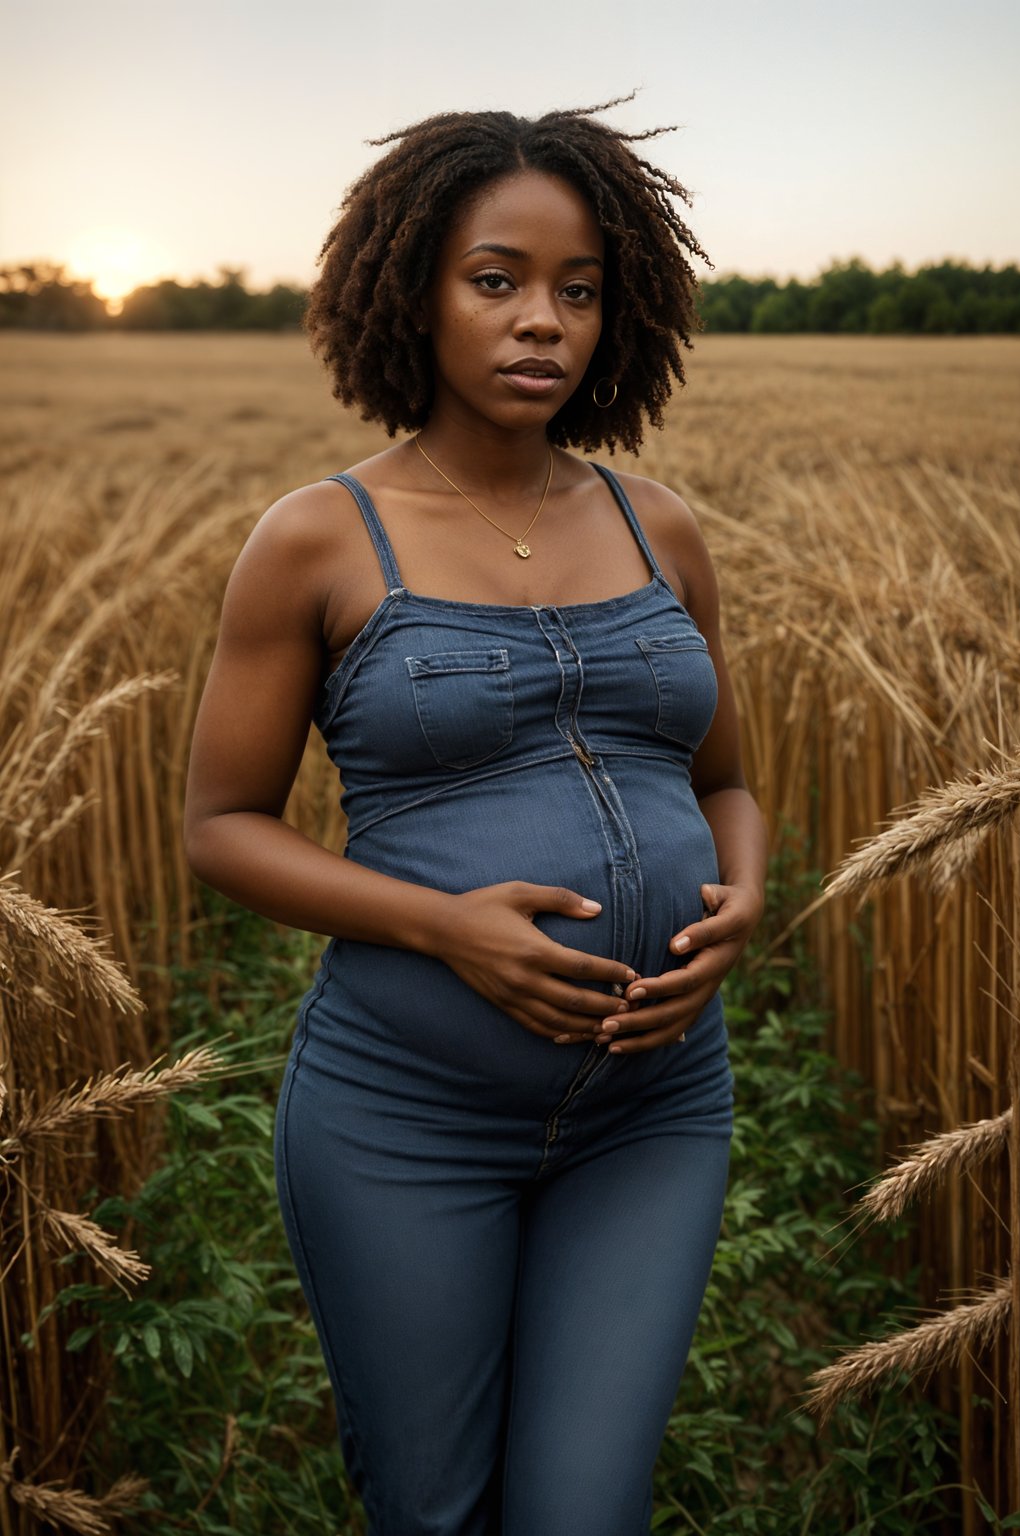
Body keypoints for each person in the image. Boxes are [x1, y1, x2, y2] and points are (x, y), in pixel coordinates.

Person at [183, 98, 767, 1536]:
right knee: (434, 1511)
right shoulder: (321, 537)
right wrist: (450, 930)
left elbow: (726, 778)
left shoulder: (658, 526)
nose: (542, 323)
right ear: (412, 291)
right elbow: (220, 824)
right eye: (495, 279)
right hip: (407, 1117)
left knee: (583, 1514)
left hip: (655, 1110)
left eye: (579, 291)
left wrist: (745, 899)